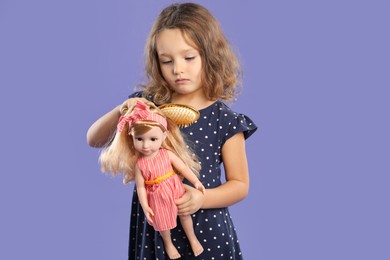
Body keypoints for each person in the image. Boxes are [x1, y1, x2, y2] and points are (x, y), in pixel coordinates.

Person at [87, 2, 257, 259]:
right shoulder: (147, 106)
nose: (178, 69)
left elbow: (240, 184)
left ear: (210, 56)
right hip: (157, 229)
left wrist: (202, 199)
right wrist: (123, 108)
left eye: (189, 58)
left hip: (206, 232)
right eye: (167, 61)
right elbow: (94, 138)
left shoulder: (224, 120)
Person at [99, 100, 206, 258]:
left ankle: (193, 239)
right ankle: (169, 245)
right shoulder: (140, 164)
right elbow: (141, 187)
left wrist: (196, 181)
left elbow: (183, 168)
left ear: (164, 136)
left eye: (153, 139)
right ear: (132, 138)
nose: (146, 145)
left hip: (173, 186)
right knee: (162, 223)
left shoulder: (167, 154)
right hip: (156, 195)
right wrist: (145, 205)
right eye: (139, 139)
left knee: (184, 213)